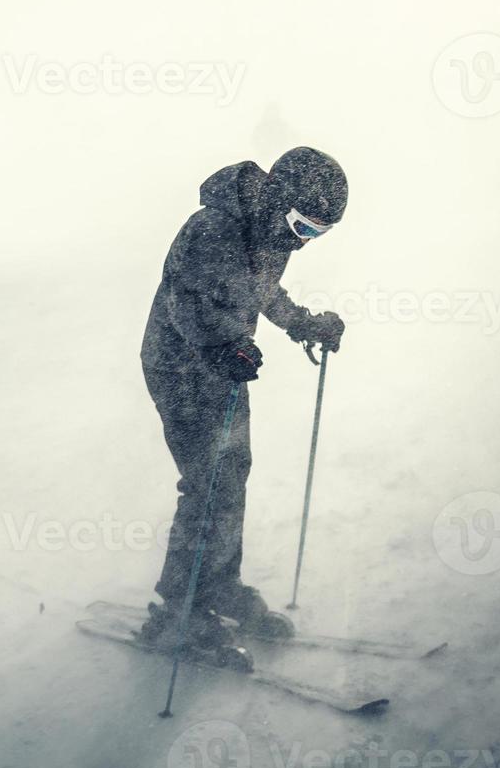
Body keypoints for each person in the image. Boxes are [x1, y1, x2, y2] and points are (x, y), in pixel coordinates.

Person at [138, 147, 348, 654]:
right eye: (304, 226)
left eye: (318, 233)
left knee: (231, 475)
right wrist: (221, 345)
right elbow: (185, 301)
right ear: (278, 199)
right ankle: (177, 612)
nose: (304, 241)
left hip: (224, 368)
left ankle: (217, 584)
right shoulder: (213, 228)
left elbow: (263, 291)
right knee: (207, 482)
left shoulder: (270, 231)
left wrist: (302, 323)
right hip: (179, 366)